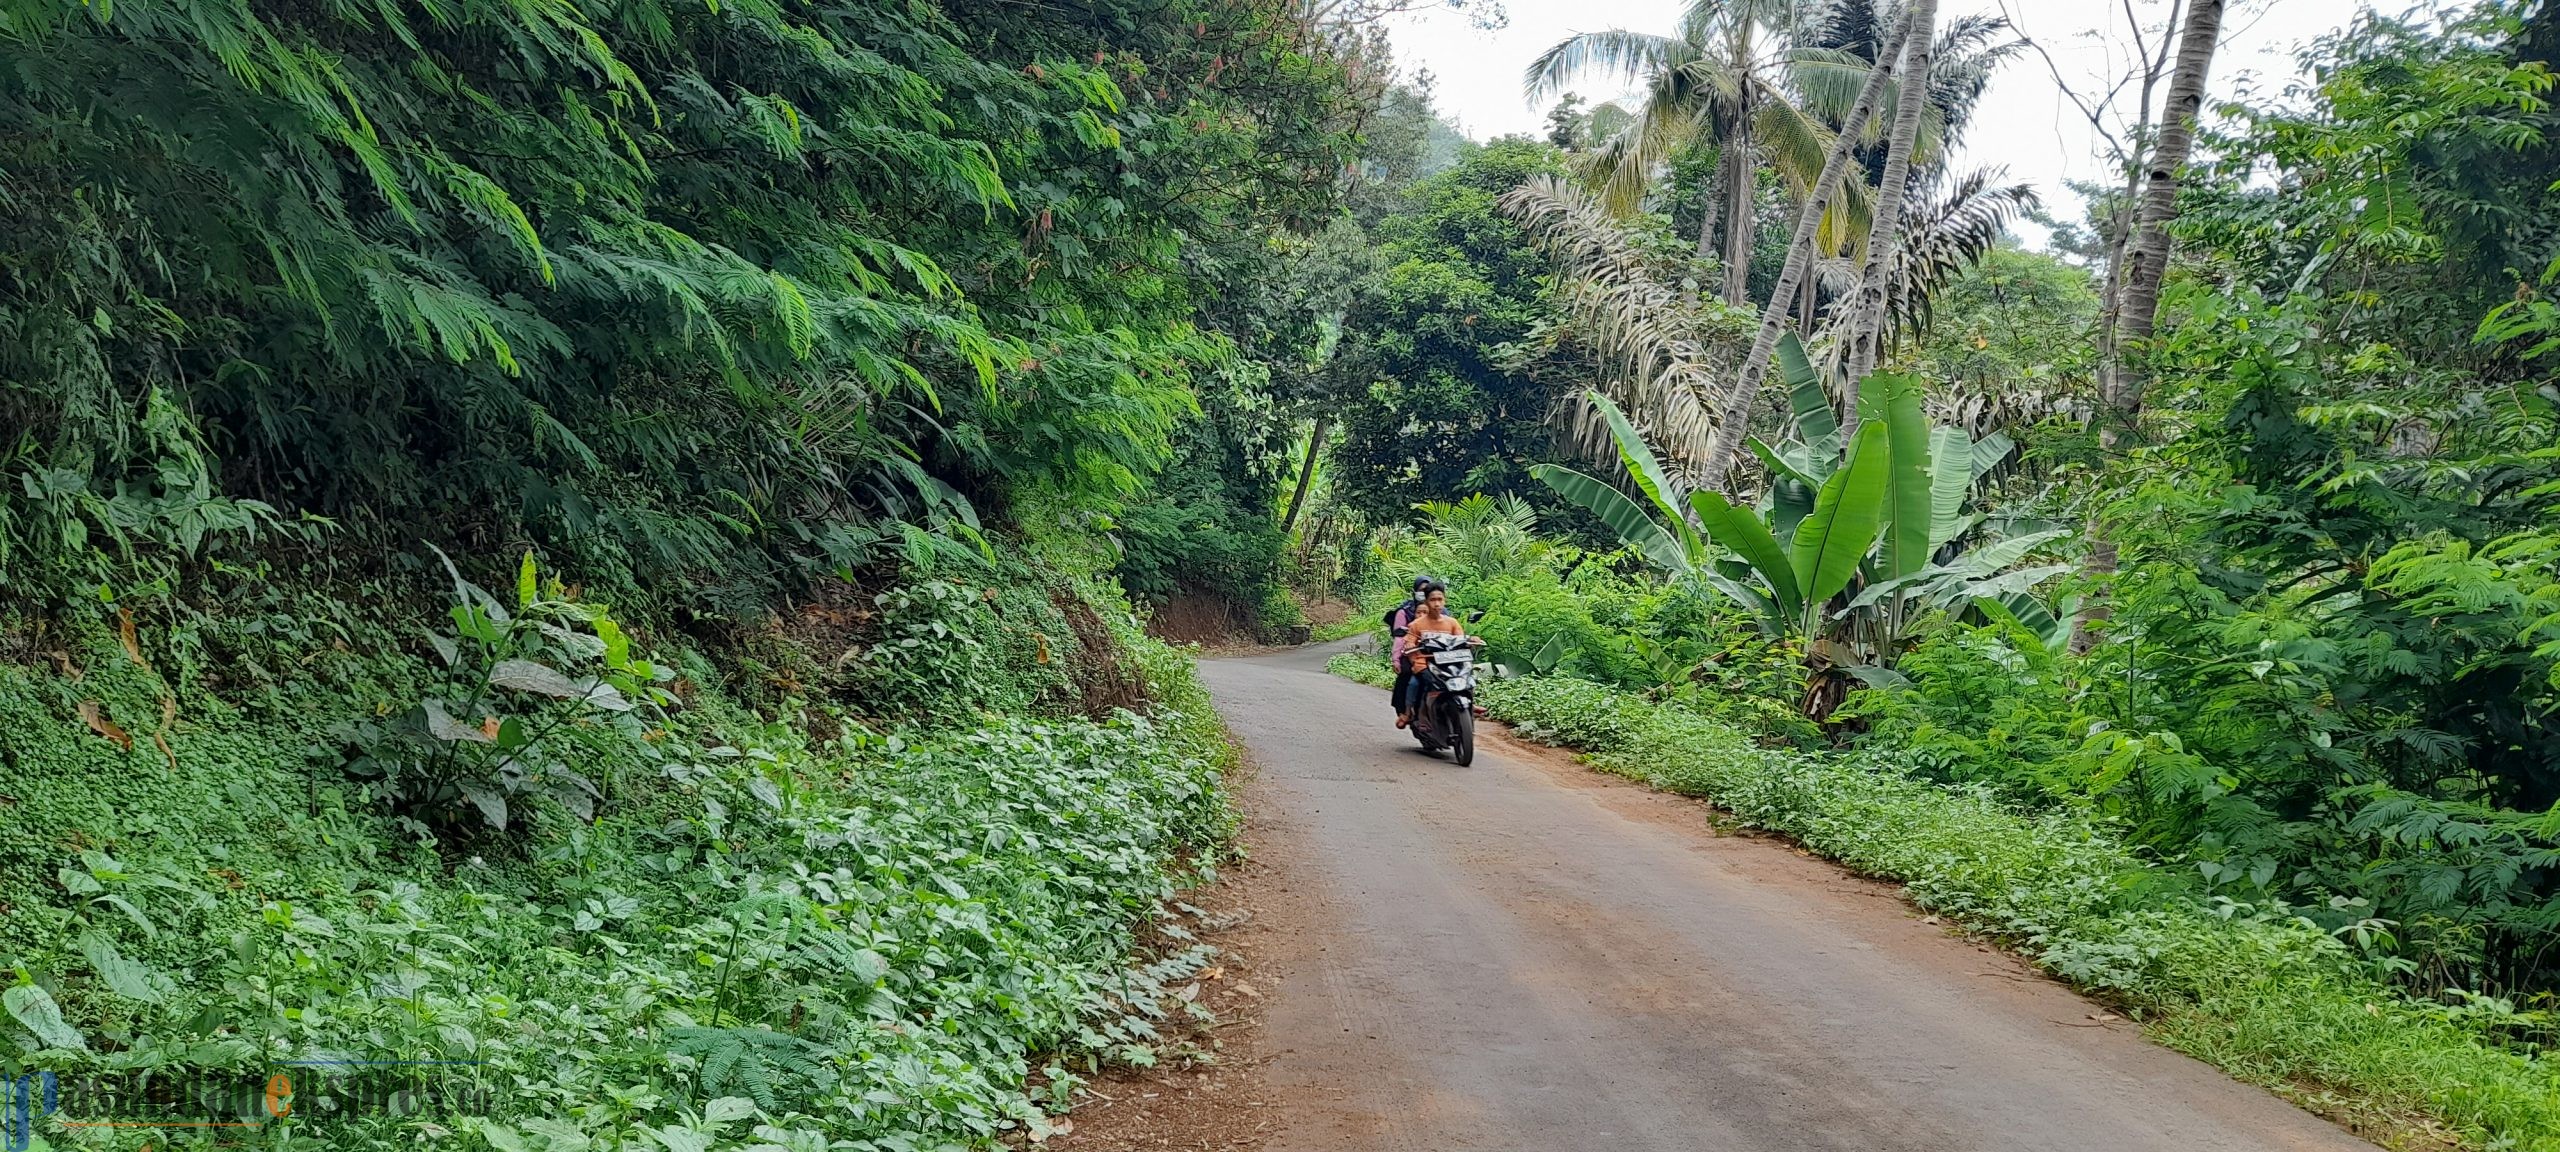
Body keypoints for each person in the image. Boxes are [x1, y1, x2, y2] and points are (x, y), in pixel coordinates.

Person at [1396, 583, 1467, 728]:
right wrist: (1410, 646)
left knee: (1467, 679)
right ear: (1426, 602)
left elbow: (1461, 639)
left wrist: (1471, 641)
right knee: (1414, 684)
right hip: (1425, 664)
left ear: (1444, 600)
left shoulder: (1452, 623)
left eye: (1440, 599)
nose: (1437, 604)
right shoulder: (1417, 625)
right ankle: (1408, 712)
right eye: (1433, 600)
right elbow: (1409, 641)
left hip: (1449, 663)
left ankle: (1469, 705)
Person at [1383, 576, 1434, 720]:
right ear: (1415, 591)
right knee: (1409, 678)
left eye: (1427, 590)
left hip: (1437, 655)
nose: (1424, 593)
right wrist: (1396, 660)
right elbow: (1399, 638)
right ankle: (1406, 711)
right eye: (1421, 590)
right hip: (1412, 655)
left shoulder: (1440, 612)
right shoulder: (1405, 612)